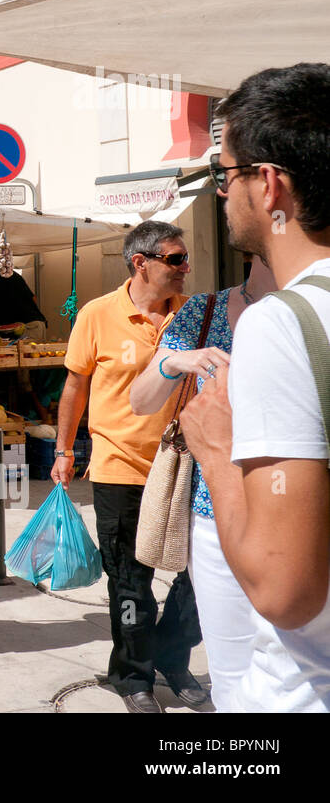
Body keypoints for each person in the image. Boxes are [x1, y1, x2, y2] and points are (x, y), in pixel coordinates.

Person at [182, 63, 330, 713]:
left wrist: (214, 448)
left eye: (225, 173)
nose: (221, 192)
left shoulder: (281, 322)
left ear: (268, 184)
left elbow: (284, 587)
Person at [52, 220, 202, 713]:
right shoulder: (97, 315)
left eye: (184, 259)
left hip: (183, 468)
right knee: (130, 580)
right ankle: (133, 675)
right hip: (119, 465)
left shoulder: (194, 314)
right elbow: (74, 387)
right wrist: (64, 450)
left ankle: (170, 657)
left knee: (200, 572)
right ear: (141, 263)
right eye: (175, 259)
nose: (185, 267)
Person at [128, 256, 275, 712]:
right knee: (232, 665)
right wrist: (175, 361)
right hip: (213, 511)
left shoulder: (313, 308)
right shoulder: (203, 311)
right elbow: (141, 399)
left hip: (297, 507)